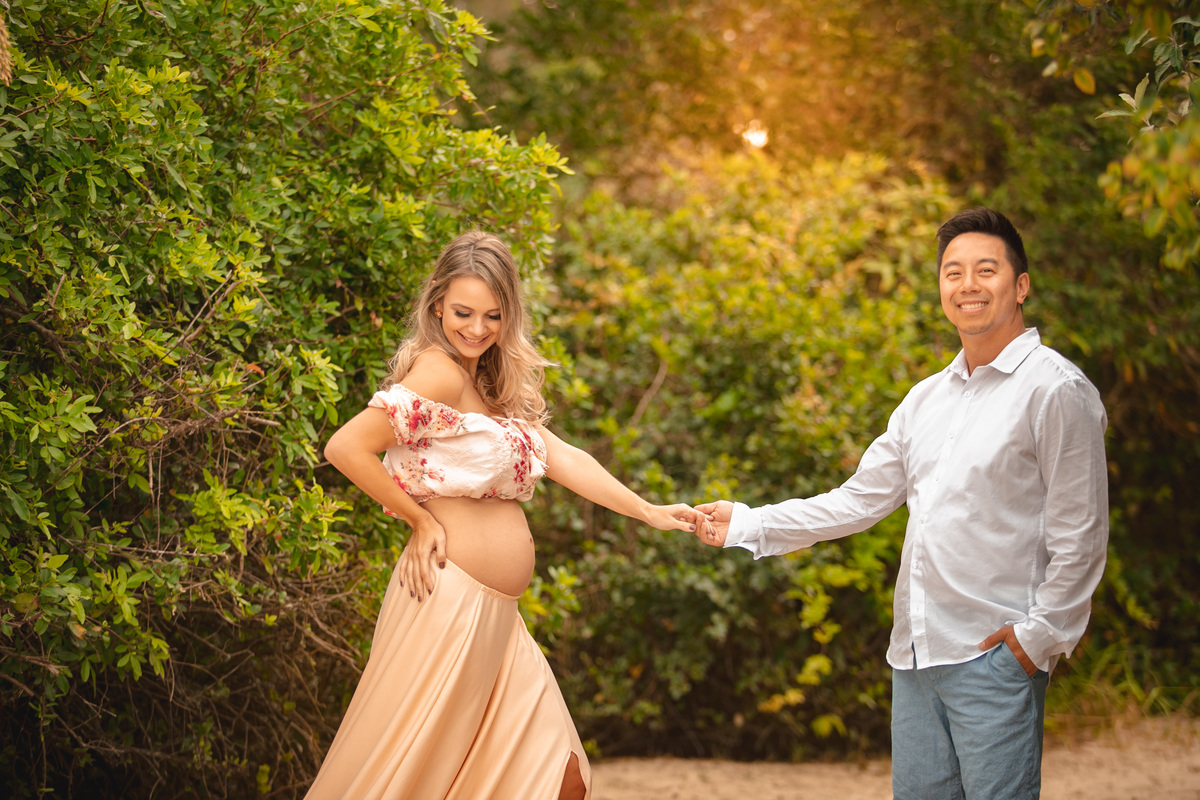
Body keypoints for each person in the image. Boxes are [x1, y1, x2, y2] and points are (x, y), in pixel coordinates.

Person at [695, 208, 1109, 800]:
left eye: (986, 270)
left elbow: (1081, 534)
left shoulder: (1055, 390)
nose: (967, 285)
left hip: (995, 658)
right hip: (915, 660)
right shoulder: (925, 400)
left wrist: (1038, 639)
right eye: (953, 272)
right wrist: (747, 522)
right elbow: (857, 501)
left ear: (1020, 286)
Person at [310, 231, 706, 800]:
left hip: (498, 618)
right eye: (463, 312)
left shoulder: (488, 385)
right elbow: (346, 447)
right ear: (437, 303)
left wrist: (648, 511)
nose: (477, 328)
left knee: (559, 777)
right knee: (410, 778)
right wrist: (421, 521)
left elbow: (564, 457)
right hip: (449, 604)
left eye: (492, 316)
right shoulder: (440, 372)